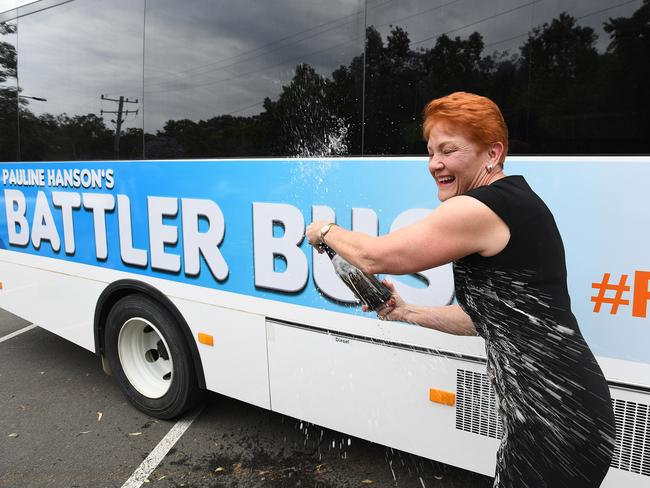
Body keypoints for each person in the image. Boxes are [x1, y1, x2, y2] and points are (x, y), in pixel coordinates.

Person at [306, 92, 616, 488]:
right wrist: (407, 311)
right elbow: (488, 319)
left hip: (555, 422)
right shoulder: (511, 203)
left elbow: (376, 256)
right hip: (560, 416)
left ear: (493, 152)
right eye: (431, 151)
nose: (435, 163)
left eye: (449, 150)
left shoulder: (481, 207)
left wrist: (325, 230)